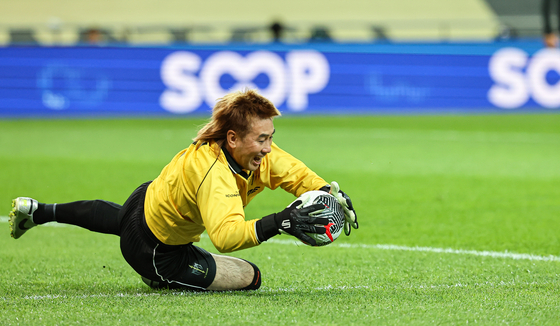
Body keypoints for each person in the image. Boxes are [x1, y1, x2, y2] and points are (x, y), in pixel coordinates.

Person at [8, 89, 358, 292]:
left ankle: (38, 210)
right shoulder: (214, 174)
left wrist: (326, 190)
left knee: (122, 218)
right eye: (262, 139)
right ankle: (152, 275)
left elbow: (293, 173)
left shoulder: (249, 151)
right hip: (157, 251)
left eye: (271, 137)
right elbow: (225, 235)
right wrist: (280, 221)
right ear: (233, 139)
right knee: (251, 278)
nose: (268, 147)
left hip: (144, 201)